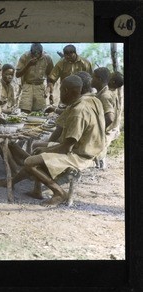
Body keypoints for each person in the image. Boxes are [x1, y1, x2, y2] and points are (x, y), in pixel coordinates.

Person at [12, 75, 106, 206]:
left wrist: (45, 151)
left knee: (30, 161)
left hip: (80, 155)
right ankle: (33, 189)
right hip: (90, 148)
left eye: (61, 90)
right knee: (37, 147)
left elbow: (65, 148)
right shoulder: (92, 100)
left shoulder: (78, 111)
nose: (59, 93)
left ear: (67, 91)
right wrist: (45, 150)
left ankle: (59, 193)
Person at [91, 67, 122, 168]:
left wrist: (99, 130)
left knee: (99, 147)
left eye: (93, 77)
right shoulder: (108, 92)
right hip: (111, 128)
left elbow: (110, 117)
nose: (91, 79)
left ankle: (100, 165)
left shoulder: (105, 96)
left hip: (108, 129)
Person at [16, 43, 54, 113]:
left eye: (38, 54)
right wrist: (28, 65)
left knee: (39, 111)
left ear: (42, 52)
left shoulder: (47, 58)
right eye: (33, 54)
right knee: (25, 110)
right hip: (28, 85)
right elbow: (17, 74)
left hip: (40, 87)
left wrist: (50, 93)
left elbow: (50, 76)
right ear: (31, 52)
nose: (36, 56)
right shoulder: (25, 56)